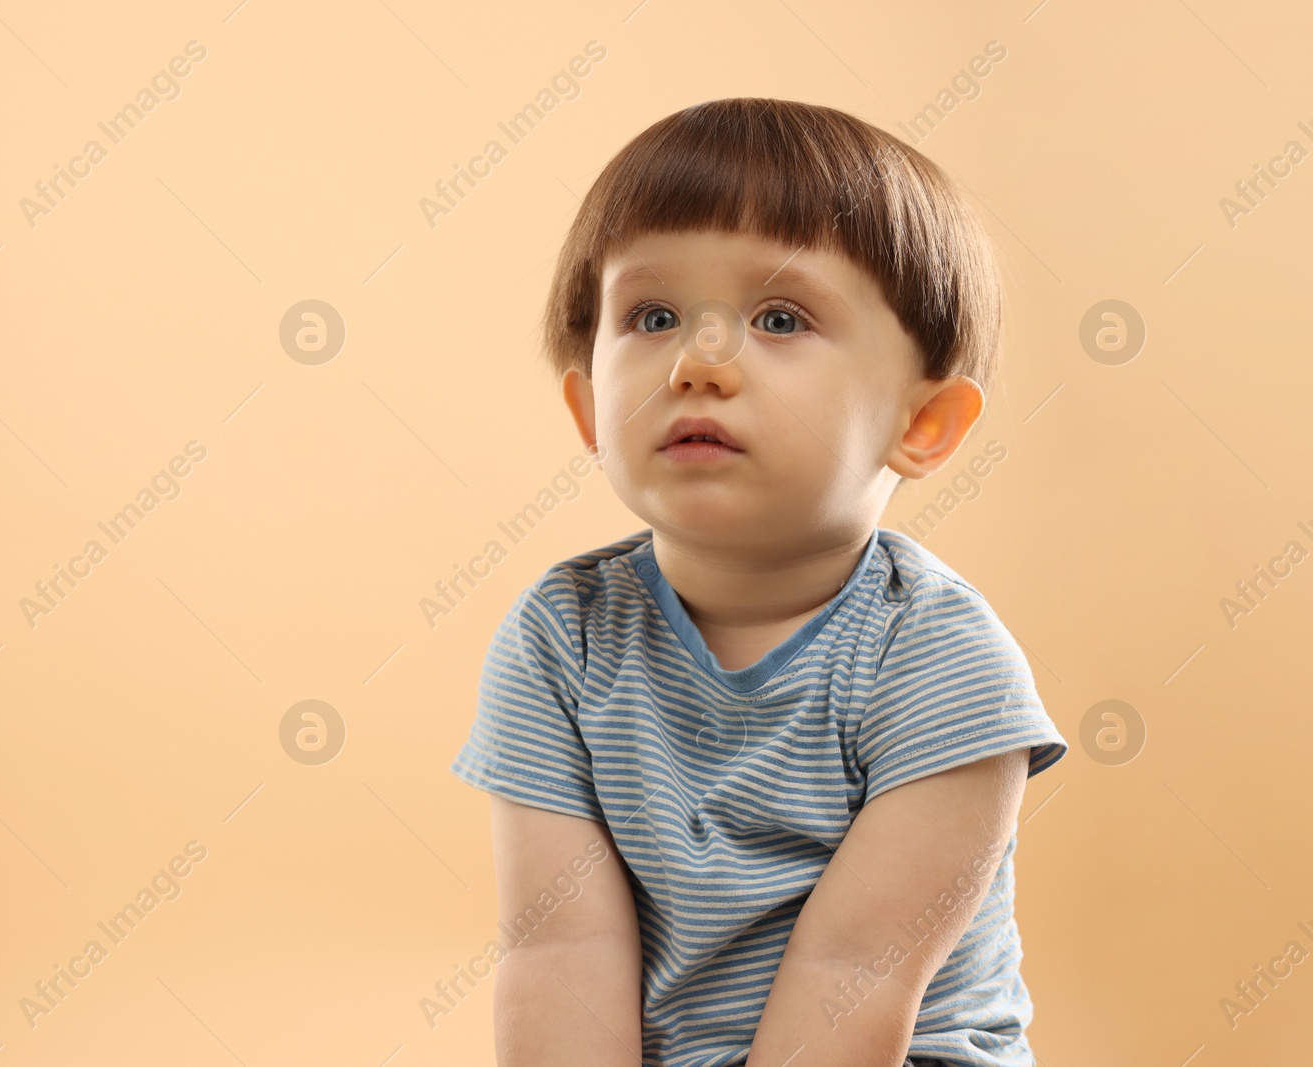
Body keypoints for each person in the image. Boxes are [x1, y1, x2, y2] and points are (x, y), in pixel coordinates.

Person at [448, 97, 1070, 1067]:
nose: (698, 361)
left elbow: (852, 972)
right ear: (587, 406)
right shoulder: (560, 638)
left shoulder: (937, 660)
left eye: (779, 317)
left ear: (925, 422)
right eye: (652, 316)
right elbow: (560, 944)